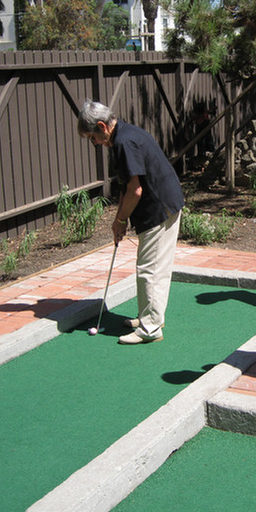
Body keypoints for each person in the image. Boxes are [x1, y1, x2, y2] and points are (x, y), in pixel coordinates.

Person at [78, 100, 185, 344]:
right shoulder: (123, 136)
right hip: (163, 202)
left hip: (159, 207)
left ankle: (150, 328)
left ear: (103, 126)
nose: (93, 143)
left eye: (91, 137)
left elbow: (135, 191)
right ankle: (149, 315)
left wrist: (120, 220)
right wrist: (120, 218)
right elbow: (127, 186)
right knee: (150, 266)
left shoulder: (125, 142)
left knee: (150, 269)